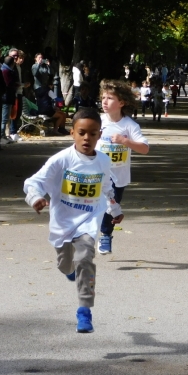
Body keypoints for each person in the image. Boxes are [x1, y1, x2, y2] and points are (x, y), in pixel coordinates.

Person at [23, 108, 124, 333]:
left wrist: (114, 209)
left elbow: (107, 188)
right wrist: (36, 198)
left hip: (89, 221)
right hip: (63, 224)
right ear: (72, 133)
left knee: (86, 259)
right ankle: (70, 270)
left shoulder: (103, 161)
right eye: (82, 132)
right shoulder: (61, 160)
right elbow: (33, 182)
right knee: (65, 265)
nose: (87, 138)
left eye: (92, 133)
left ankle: (84, 312)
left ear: (99, 135)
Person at [96, 80, 150, 255]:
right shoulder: (97, 121)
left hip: (118, 177)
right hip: (96, 173)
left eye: (110, 98)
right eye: (103, 97)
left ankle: (105, 235)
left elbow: (144, 149)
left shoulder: (129, 126)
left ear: (122, 103)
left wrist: (125, 141)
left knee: (112, 207)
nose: (105, 101)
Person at [0, 55, 18, 144]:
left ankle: (4, 135)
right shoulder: (6, 71)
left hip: (7, 96)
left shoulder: (5, 69)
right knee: (4, 118)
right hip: (6, 97)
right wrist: (16, 84)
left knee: (6, 117)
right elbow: (9, 84)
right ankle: (1, 135)